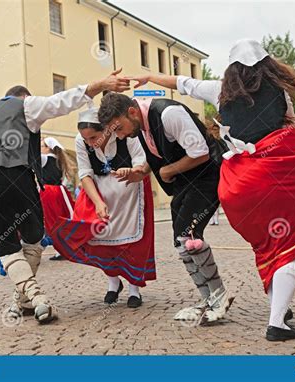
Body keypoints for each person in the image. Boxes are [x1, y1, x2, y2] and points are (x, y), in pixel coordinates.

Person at [129, 39, 295, 341]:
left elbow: (182, 83)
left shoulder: (219, 90)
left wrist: (149, 78)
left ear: (231, 68)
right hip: (275, 179)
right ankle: (277, 322)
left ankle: (278, 307)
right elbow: (291, 128)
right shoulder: (279, 92)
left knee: (269, 246)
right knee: (291, 246)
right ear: (267, 65)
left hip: (238, 188)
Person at [0, 70, 130, 324]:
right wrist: (100, 84)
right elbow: (60, 102)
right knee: (33, 237)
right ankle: (38, 298)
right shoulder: (25, 104)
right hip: (14, 176)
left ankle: (23, 300)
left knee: (6, 246)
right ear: (23, 97)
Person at [98, 93, 233, 325]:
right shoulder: (139, 125)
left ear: (131, 112)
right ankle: (208, 298)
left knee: (187, 236)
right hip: (187, 183)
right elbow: (156, 154)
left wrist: (168, 171)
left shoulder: (169, 113)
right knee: (181, 243)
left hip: (208, 176)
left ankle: (220, 295)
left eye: (119, 129)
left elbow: (200, 152)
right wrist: (140, 171)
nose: (120, 135)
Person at [50, 107, 156, 308]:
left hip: (131, 192)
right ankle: (113, 283)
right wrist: (98, 202)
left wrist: (132, 170)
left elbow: (142, 164)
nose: (91, 143)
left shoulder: (126, 136)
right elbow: (85, 173)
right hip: (99, 193)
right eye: (86, 139)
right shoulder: (81, 141)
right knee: (101, 240)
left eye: (94, 137)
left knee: (133, 242)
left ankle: (134, 288)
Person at [39, 136, 75, 261]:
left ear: (48, 148)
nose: (40, 149)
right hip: (59, 190)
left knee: (52, 221)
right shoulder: (58, 159)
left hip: (49, 192)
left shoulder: (45, 158)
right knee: (61, 219)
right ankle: (64, 248)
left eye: (42, 146)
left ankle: (60, 249)